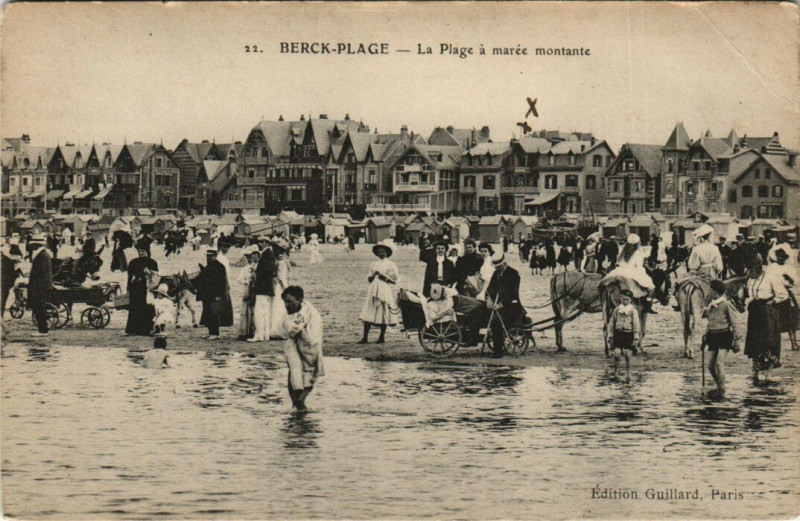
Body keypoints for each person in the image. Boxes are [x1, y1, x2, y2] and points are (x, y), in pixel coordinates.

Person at [744, 256, 788, 383]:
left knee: (769, 341)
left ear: (757, 269)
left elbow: (783, 294)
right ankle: (755, 372)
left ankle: (769, 372)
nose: (748, 273)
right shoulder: (750, 280)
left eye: (750, 270)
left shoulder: (771, 278)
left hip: (768, 312)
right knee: (754, 341)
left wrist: (772, 302)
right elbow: (751, 296)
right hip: (755, 312)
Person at [282, 285, 324, 412]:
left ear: (299, 300)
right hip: (294, 343)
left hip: (309, 345)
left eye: (289, 301)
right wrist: (295, 329)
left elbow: (313, 338)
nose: (286, 305)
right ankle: (297, 406)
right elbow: (286, 329)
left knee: (309, 373)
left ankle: (300, 404)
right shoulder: (289, 314)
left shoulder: (312, 315)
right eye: (285, 301)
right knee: (294, 371)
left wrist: (299, 329)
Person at [702, 279, 744, 394]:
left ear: (714, 291)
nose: (708, 291)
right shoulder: (711, 305)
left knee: (719, 364)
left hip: (724, 335)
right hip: (712, 336)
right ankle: (719, 384)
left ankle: (722, 388)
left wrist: (737, 340)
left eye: (709, 289)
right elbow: (709, 321)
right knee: (710, 365)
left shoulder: (726, 304)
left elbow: (734, 322)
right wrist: (706, 335)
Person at [600, 234, 656, 314]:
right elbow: (639, 266)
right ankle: (648, 304)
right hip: (632, 271)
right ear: (637, 243)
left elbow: (618, 263)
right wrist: (644, 273)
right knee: (651, 286)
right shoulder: (637, 253)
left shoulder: (623, 251)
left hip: (620, 270)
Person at [673, 225, 723, 310]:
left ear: (701, 238)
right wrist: (716, 271)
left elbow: (692, 265)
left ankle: (681, 303)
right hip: (712, 273)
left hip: (700, 273)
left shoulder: (697, 249)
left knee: (680, 282)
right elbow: (719, 266)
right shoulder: (715, 248)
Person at [358, 239, 399, 344]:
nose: (381, 253)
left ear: (387, 253)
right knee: (370, 310)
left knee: (383, 311)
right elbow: (369, 277)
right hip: (373, 289)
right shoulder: (374, 264)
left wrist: (383, 277)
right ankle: (365, 337)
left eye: (383, 252)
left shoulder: (390, 264)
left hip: (384, 289)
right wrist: (373, 276)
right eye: (379, 252)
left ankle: (381, 337)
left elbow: (394, 280)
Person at [484, 252, 522, 358]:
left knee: (497, 321)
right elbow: (489, 289)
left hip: (511, 306)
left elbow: (513, 293)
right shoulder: (496, 273)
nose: (497, 268)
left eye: (499, 267)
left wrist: (500, 304)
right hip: (495, 304)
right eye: (496, 267)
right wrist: (488, 300)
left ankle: (498, 352)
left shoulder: (514, 274)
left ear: (504, 264)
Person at [768, 248, 799, 350]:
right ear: (776, 257)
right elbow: (768, 280)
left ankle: (793, 343)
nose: (781, 259)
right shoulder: (771, 268)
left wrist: (789, 279)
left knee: (791, 319)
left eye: (783, 257)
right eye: (779, 257)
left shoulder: (790, 268)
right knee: (773, 320)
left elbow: (795, 282)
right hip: (774, 294)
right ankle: (773, 344)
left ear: (785, 258)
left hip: (787, 294)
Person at [125, 246, 159, 336]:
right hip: (136, 286)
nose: (140, 253)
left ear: (146, 251)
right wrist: (128, 287)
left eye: (142, 251)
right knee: (135, 307)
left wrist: (148, 272)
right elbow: (129, 276)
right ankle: (133, 329)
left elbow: (156, 275)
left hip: (147, 287)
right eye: (139, 251)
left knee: (147, 307)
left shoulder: (152, 262)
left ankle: (147, 329)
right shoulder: (133, 262)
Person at [608, 289, 640, 383]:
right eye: (623, 299)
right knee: (617, 354)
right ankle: (616, 373)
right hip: (618, 334)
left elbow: (636, 324)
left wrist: (636, 337)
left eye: (627, 299)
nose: (624, 301)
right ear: (620, 299)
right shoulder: (617, 310)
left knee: (627, 355)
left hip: (628, 334)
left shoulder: (633, 311)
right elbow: (611, 323)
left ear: (630, 300)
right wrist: (610, 336)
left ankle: (628, 374)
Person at [197, 248, 229, 340]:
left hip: (215, 294)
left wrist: (219, 295)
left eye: (211, 256)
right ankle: (211, 332)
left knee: (214, 314)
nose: (209, 258)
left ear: (215, 256)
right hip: (207, 294)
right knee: (207, 313)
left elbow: (222, 282)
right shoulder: (208, 266)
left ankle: (215, 333)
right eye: (208, 256)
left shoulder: (220, 267)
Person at [249, 238, 275, 342]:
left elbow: (268, 271)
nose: (260, 244)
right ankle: (265, 335)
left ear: (266, 243)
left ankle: (259, 335)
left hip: (263, 287)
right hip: (265, 287)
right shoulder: (267, 254)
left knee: (260, 312)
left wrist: (256, 275)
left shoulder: (267, 254)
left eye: (261, 242)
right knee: (265, 311)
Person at [26, 235, 53, 337]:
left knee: (39, 307)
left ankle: (43, 330)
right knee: (38, 307)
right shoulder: (43, 254)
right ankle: (42, 329)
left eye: (33, 245)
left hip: (39, 286)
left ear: (37, 245)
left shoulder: (42, 255)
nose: (32, 247)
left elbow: (42, 272)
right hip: (40, 285)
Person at [270, 237, 291, 339]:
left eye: (275, 249)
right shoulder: (280, 260)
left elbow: (281, 277)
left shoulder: (281, 262)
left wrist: (274, 280)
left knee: (277, 305)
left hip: (278, 285)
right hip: (278, 284)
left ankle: (277, 330)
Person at [237, 248, 258, 340]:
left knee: (253, 308)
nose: (250, 259)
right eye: (248, 257)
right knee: (245, 309)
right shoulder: (245, 269)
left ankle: (253, 330)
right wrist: (246, 282)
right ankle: (245, 331)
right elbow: (239, 280)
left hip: (254, 289)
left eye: (251, 257)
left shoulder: (256, 267)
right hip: (246, 289)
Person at [215, 239, 235, 330]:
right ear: (220, 247)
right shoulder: (219, 258)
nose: (226, 249)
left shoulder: (224, 258)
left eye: (228, 248)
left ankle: (225, 320)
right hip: (221, 280)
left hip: (225, 279)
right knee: (221, 299)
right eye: (225, 247)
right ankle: (221, 320)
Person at [1, 240, 22, 319]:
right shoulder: (8, 260)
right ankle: (1, 314)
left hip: (7, 279)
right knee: (4, 296)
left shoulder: (6, 256)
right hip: (6, 280)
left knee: (5, 296)